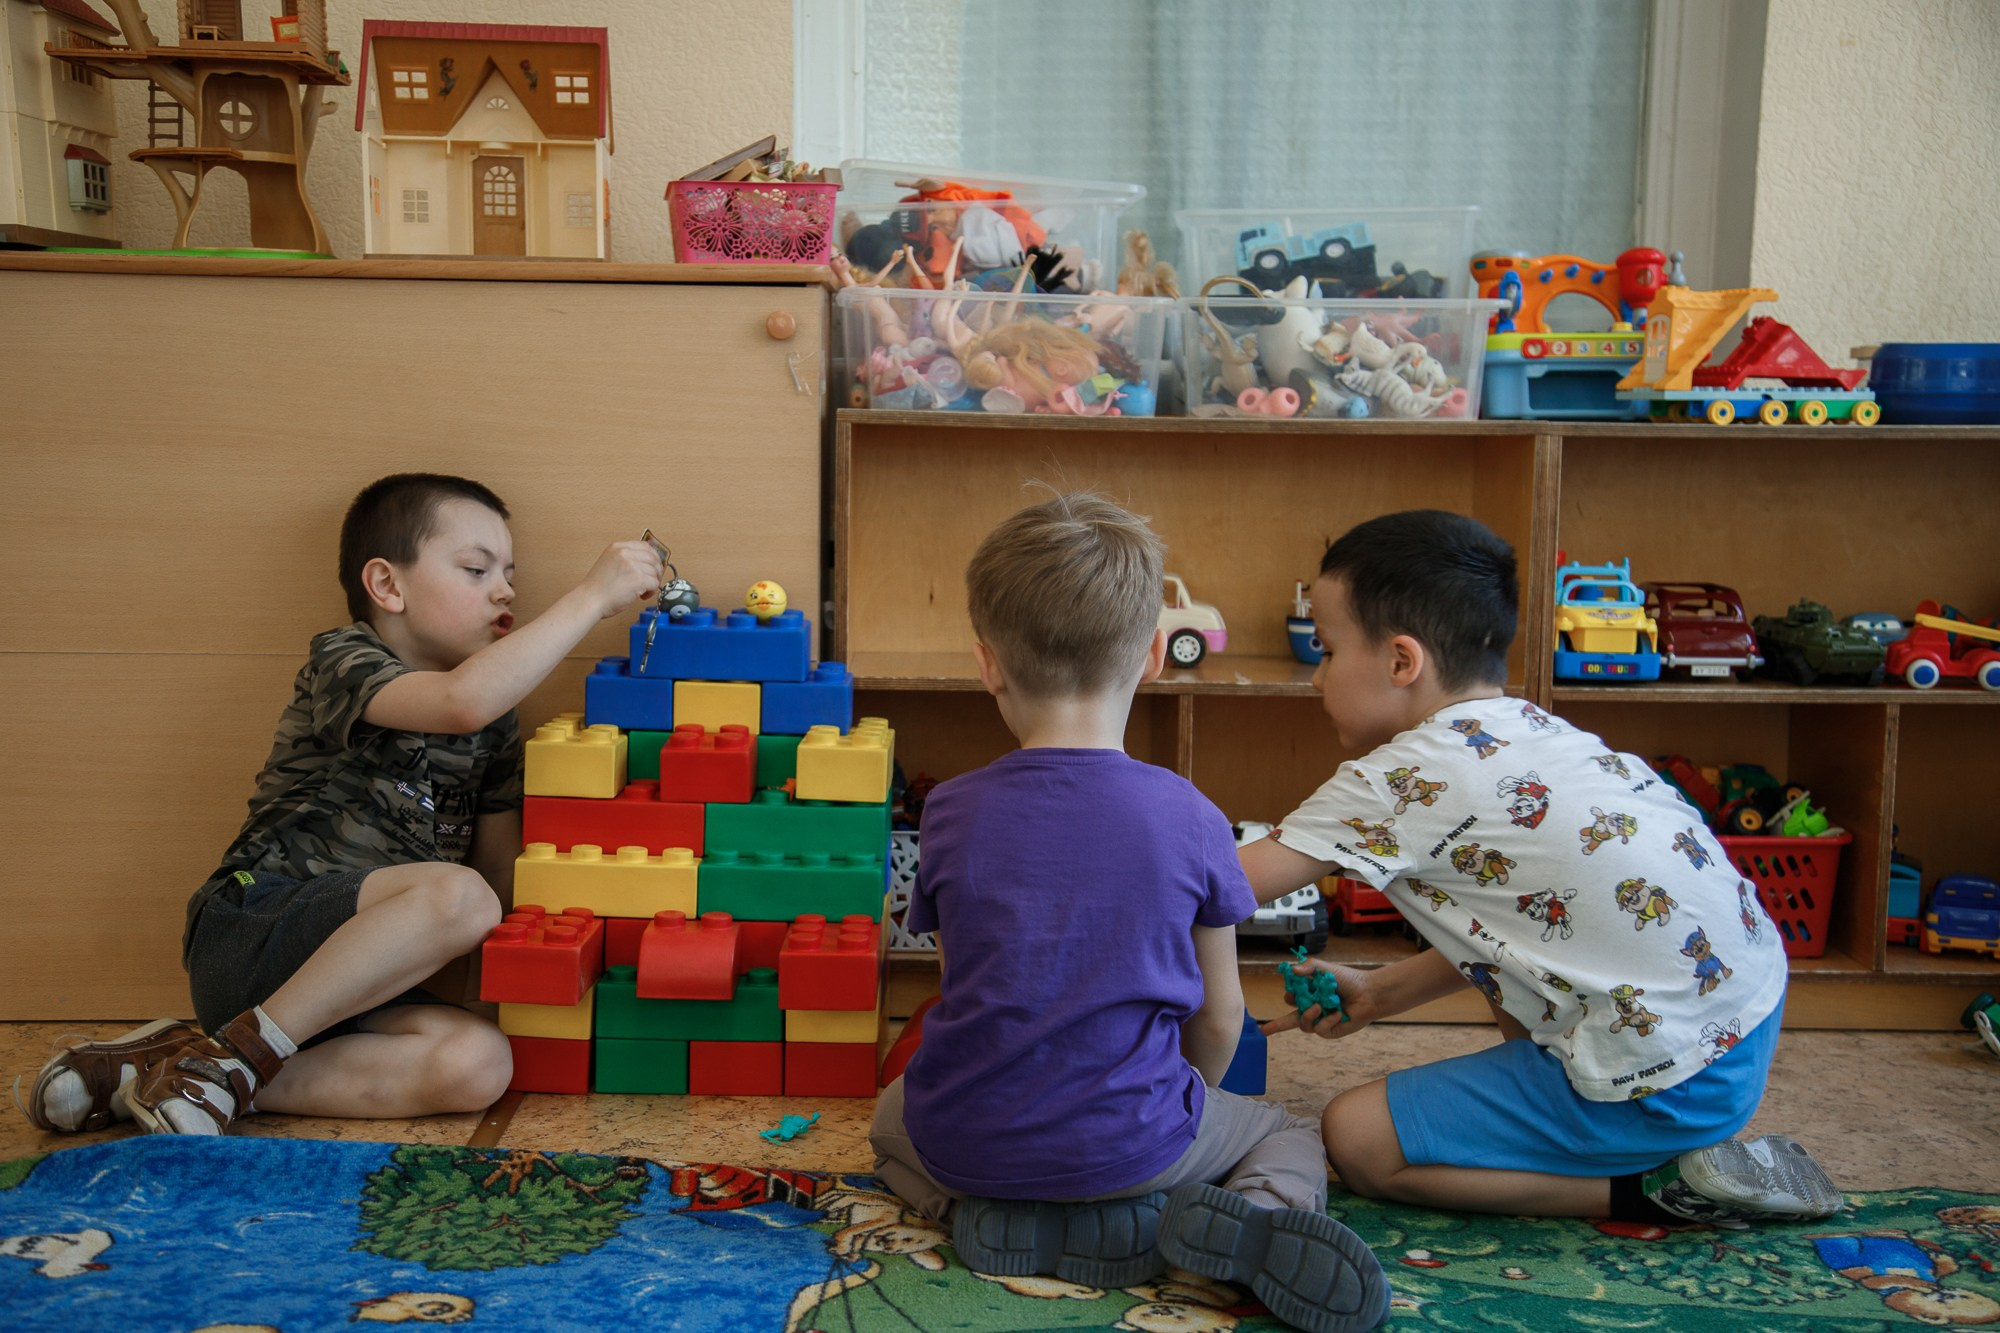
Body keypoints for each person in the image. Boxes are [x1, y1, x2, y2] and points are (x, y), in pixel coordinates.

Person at [870, 491, 1389, 1333]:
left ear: (987, 663)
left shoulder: (951, 811)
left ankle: (963, 1213)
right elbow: (1219, 1017)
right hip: (1134, 1145)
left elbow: (968, 987)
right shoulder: (1190, 814)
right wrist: (1182, 1109)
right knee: (1286, 1131)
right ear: (1154, 655)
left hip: (973, 1141)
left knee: (893, 1114)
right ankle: (1240, 1218)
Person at [1241, 509, 1843, 1226]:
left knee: (1359, 1138)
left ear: (1403, 661)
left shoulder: (1400, 777)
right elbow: (1530, 920)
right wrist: (1380, 991)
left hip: (1670, 1079)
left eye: (1328, 651)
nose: (1316, 679)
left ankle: (1663, 1189)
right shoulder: (1533, 729)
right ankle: (1617, 1135)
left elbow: (1218, 883)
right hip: (1739, 1022)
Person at [23, 473, 664, 1136]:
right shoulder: (347, 657)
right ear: (386, 586)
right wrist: (591, 597)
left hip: (366, 978)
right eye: (476, 569)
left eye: (509, 571)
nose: (504, 588)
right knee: (461, 897)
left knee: (479, 1062)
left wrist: (494, 1000)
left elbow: (500, 870)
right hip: (256, 929)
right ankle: (238, 1055)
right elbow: (457, 701)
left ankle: (193, 1069)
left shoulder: (494, 724)